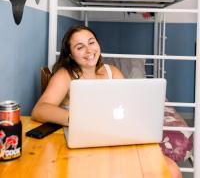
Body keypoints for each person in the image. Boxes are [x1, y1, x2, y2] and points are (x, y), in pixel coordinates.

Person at [31, 25, 182, 178]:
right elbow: (40, 109)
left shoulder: (113, 72)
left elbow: (127, 106)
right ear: (70, 54)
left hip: (116, 137)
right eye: (80, 47)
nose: (89, 50)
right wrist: (77, 119)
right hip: (85, 142)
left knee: (172, 171)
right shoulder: (66, 75)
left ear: (98, 44)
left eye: (91, 42)